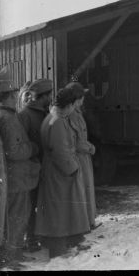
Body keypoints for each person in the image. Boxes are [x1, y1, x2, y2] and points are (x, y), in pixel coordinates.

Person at [35, 87, 90, 259]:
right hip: (59, 172)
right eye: (75, 104)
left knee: (58, 208)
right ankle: (58, 249)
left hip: (55, 170)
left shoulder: (53, 117)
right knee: (59, 209)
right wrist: (72, 169)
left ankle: (61, 245)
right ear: (71, 104)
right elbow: (60, 151)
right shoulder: (58, 121)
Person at [0, 69, 41, 267]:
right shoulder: (8, 118)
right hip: (17, 179)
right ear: (10, 96)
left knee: (13, 215)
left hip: (13, 178)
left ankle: (12, 253)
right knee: (18, 215)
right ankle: (11, 256)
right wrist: (32, 147)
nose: (17, 97)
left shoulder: (4, 115)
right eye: (15, 94)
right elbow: (14, 152)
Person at [18, 78, 54, 251]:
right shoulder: (25, 115)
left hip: (44, 168)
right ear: (42, 96)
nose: (51, 98)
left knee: (42, 204)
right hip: (32, 170)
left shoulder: (44, 113)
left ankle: (39, 235)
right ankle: (29, 239)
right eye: (49, 95)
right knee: (30, 205)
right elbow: (20, 145)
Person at [66, 81, 100, 229]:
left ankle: (88, 221)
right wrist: (91, 148)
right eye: (82, 96)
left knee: (86, 188)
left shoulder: (76, 112)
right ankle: (85, 222)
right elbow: (78, 141)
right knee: (83, 188)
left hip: (83, 156)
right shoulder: (73, 114)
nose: (84, 99)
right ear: (77, 98)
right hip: (81, 156)